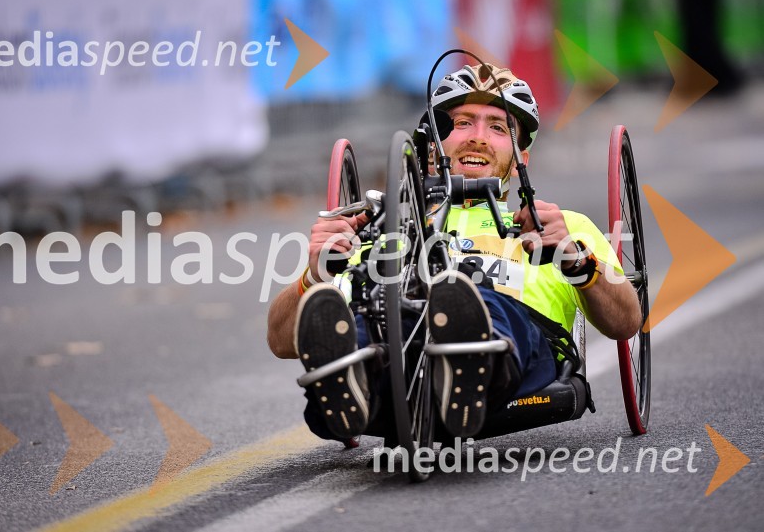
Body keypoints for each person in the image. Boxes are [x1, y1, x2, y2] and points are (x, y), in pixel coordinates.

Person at [267, 62, 642, 441]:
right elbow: (281, 341)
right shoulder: (382, 228)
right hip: (399, 351)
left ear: (521, 160)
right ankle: (350, 376)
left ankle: (465, 357)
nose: (478, 137)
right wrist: (316, 273)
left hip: (515, 351)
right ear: (433, 146)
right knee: (370, 321)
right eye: (462, 123)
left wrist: (575, 258)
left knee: (470, 295)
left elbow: (626, 321)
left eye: (498, 128)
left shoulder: (560, 226)